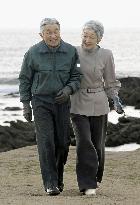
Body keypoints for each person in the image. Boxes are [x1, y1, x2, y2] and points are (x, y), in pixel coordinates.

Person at [19, 18, 82, 196]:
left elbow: (77, 76)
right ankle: (50, 183)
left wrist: (69, 89)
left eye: (56, 31)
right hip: (40, 102)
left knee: (63, 143)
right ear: (41, 34)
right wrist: (26, 105)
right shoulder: (32, 53)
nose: (53, 35)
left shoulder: (71, 52)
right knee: (46, 143)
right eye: (48, 32)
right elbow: (24, 79)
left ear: (60, 32)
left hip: (62, 102)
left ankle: (58, 177)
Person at [70, 20, 124, 195]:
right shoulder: (73, 52)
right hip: (77, 103)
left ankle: (95, 177)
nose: (86, 39)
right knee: (84, 143)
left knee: (98, 145)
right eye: (84, 35)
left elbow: (110, 82)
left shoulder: (106, 55)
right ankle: (87, 184)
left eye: (91, 36)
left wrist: (115, 100)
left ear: (99, 38)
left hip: (99, 104)